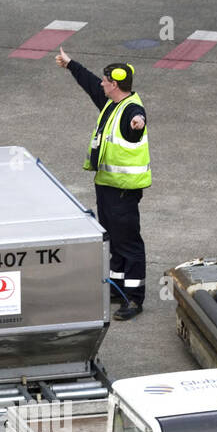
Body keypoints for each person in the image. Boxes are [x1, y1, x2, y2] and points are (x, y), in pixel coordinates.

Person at [54, 47, 150, 321]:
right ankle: (118, 288)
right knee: (113, 238)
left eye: (106, 81)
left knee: (128, 242)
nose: (101, 84)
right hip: (107, 185)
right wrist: (71, 64)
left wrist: (138, 123)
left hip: (123, 189)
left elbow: (138, 121)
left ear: (115, 85)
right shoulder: (112, 103)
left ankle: (134, 298)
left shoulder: (131, 110)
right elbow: (90, 83)